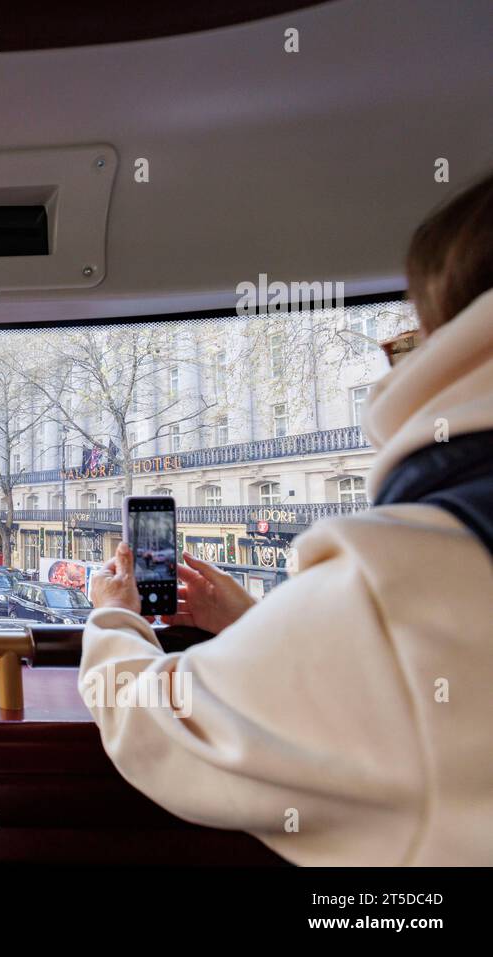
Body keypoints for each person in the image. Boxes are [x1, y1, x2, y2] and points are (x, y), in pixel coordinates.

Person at [83, 169, 493, 866]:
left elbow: (153, 722)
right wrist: (262, 622)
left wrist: (113, 615)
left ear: (449, 347)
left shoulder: (408, 582)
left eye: (407, 342)